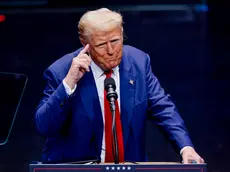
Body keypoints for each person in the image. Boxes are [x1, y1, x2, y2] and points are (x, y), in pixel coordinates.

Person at [35, 8, 204, 164]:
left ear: (122, 34)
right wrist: (69, 82)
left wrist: (185, 147)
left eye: (115, 41)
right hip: (78, 167)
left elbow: (163, 108)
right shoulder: (62, 70)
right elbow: (44, 126)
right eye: (101, 45)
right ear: (84, 43)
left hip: (127, 166)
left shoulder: (138, 62)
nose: (111, 50)